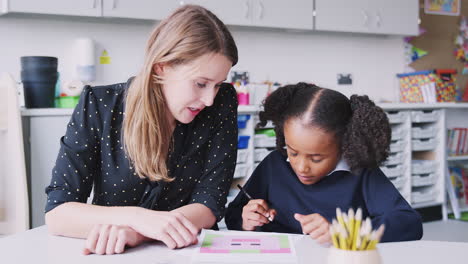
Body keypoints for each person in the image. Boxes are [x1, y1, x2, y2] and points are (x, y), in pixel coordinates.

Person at [45, 5, 239, 255]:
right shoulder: (100, 105)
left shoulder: (221, 103)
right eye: (201, 83)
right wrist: (138, 218)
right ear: (162, 67)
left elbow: (210, 203)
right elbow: (58, 213)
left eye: (218, 84)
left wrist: (139, 233)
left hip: (184, 253)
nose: (210, 99)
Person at [225, 82, 423, 244]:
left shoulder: (360, 173)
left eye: (316, 158)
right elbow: (233, 214)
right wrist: (246, 220)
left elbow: (408, 223)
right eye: (293, 152)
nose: (302, 167)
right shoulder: (274, 164)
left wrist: (343, 232)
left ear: (345, 144)